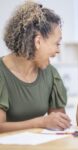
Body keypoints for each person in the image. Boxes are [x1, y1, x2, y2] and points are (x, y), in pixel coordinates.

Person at [0, 1, 71, 133]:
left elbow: (59, 124)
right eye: (57, 43)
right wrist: (41, 122)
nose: (58, 50)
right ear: (38, 42)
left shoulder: (51, 74)